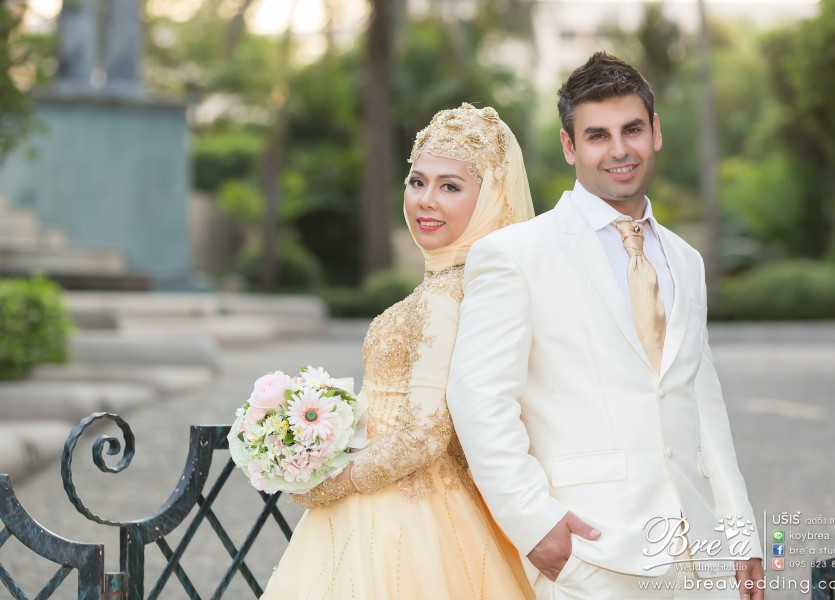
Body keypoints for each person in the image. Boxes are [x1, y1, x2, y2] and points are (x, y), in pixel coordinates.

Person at [447, 52, 765, 600]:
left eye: (632, 130)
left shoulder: (686, 259)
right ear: (570, 146)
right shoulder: (514, 255)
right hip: (590, 553)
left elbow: (702, 404)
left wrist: (740, 533)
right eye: (597, 135)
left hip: (701, 556)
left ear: (655, 133)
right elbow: (479, 400)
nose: (619, 150)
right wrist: (535, 525)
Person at [260, 102, 537, 600]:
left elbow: (426, 430)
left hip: (401, 518)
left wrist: (336, 480)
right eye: (417, 182)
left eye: (450, 186)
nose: (426, 200)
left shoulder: (443, 299)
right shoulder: (463, 286)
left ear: (492, 197)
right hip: (414, 503)